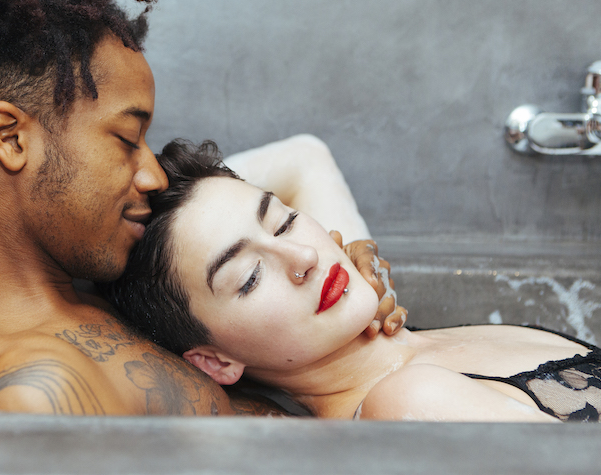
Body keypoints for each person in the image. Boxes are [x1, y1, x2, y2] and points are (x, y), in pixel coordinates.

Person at [0, 0, 405, 416]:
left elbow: (299, 162)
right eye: (127, 139)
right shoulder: (33, 397)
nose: (152, 176)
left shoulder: (75, 275)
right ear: (11, 138)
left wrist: (338, 263)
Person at [105, 139, 601, 422]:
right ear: (215, 361)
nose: (302, 255)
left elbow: (306, 155)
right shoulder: (408, 401)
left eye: (282, 220)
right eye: (250, 278)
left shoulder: (405, 338)